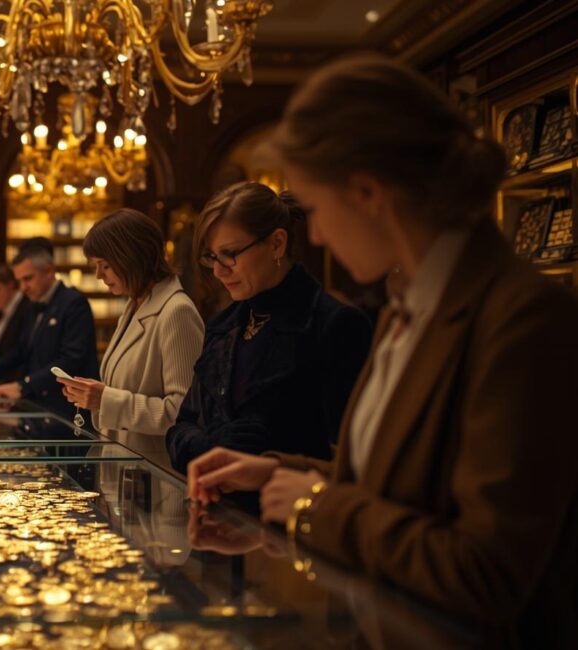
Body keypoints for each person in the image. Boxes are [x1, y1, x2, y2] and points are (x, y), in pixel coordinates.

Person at [187, 54, 578, 645]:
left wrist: (314, 507)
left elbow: (487, 573)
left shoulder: (524, 319)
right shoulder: (405, 308)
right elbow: (393, 486)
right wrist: (279, 473)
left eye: (317, 210)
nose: (317, 235)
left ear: (368, 193)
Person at [164, 182, 372, 473]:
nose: (219, 271)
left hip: (290, 499)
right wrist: (210, 446)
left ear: (277, 244)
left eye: (230, 253)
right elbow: (182, 426)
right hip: (212, 498)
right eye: (212, 257)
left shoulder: (334, 324)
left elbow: (352, 460)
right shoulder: (223, 325)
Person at [57, 209, 205, 471]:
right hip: (126, 473)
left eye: (105, 265)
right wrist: (95, 394)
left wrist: (105, 400)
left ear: (131, 257)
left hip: (157, 477)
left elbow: (182, 413)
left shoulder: (177, 311)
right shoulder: (134, 305)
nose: (99, 275)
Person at [0, 248, 99, 421]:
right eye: (19, 281)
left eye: (28, 278)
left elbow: (72, 359)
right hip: (40, 407)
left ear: (49, 272)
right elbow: (22, 351)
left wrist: (24, 386)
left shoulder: (74, 302)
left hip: (67, 409)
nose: (23, 288)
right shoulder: (33, 304)